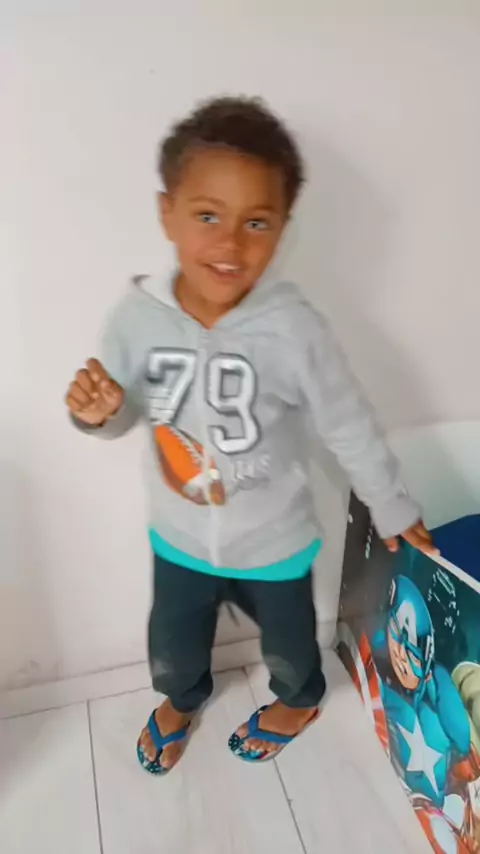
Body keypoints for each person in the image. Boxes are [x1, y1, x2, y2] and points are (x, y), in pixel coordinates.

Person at [65, 96, 437, 775]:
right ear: (167, 213)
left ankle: (299, 700)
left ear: (282, 228)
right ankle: (183, 699)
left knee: (291, 644)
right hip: (179, 537)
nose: (230, 243)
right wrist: (99, 412)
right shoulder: (136, 319)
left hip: (275, 542)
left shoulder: (295, 329)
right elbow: (122, 411)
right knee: (172, 643)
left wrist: (391, 504)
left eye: (256, 222)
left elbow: (347, 423)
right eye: (208, 215)